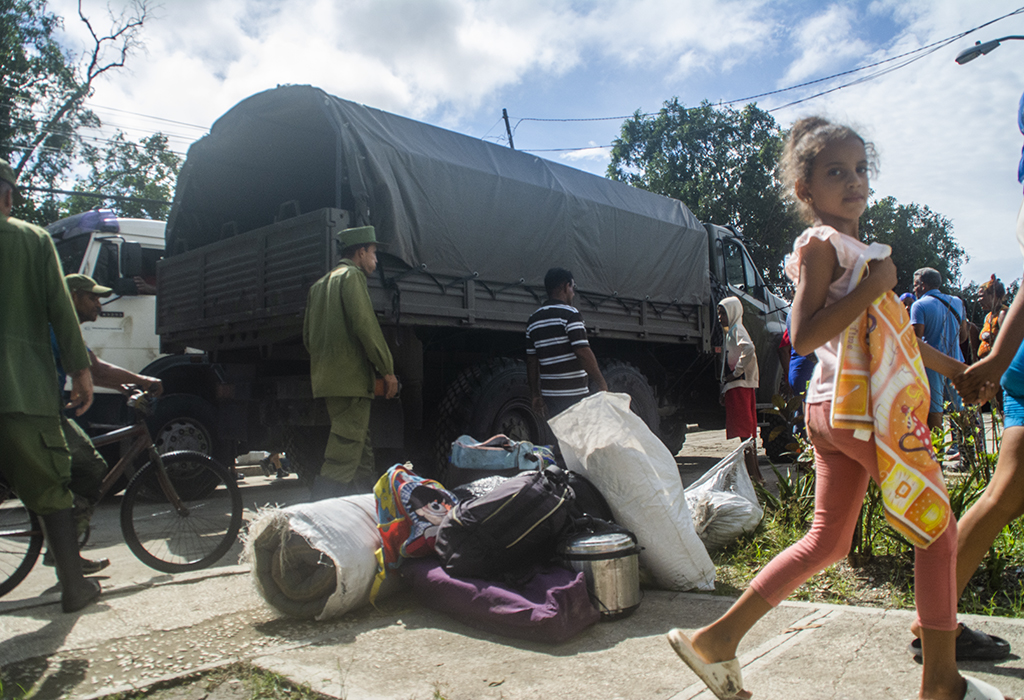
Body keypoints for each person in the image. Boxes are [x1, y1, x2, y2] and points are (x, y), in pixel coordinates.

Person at [666, 118, 1011, 700]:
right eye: (836, 172)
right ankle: (940, 683)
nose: (854, 181)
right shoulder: (823, 245)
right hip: (863, 415)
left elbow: (895, 333)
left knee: (828, 541)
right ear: (806, 190)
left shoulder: (860, 253)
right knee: (937, 532)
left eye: (860, 169)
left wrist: (957, 370)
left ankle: (716, 641)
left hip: (837, 413)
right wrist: (874, 286)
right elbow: (802, 335)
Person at [0, 158, 101, 613]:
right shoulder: (31, 240)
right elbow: (60, 310)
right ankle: (73, 586)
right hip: (21, 391)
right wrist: (81, 373)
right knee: (51, 486)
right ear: (9, 196)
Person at [46, 273, 165, 574]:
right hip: (44, 413)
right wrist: (144, 380)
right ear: (73, 297)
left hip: (42, 408)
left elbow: (85, 371)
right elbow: (95, 369)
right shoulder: (60, 326)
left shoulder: (54, 324)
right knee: (91, 468)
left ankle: (58, 543)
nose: (99, 304)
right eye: (92, 298)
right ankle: (65, 551)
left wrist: (122, 386)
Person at [303, 225, 398, 500]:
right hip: (351, 382)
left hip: (328, 380)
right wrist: (387, 370)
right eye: (374, 253)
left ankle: (368, 507)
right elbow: (366, 326)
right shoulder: (352, 276)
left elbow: (308, 337)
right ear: (361, 252)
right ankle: (314, 514)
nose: (376, 260)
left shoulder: (319, 285)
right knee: (343, 454)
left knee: (361, 451)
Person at [525, 268, 608, 422]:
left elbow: (532, 362)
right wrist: (602, 384)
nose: (573, 293)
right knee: (579, 436)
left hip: (550, 397)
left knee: (559, 435)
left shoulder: (533, 320)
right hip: (574, 395)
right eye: (572, 288)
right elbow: (582, 352)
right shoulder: (571, 315)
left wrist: (535, 395)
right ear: (565, 286)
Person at [910, 268, 970, 433]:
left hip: (932, 365)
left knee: (935, 408)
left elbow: (915, 341)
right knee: (959, 407)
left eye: (915, 285)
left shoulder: (919, 305)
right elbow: (963, 336)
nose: (914, 290)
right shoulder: (957, 302)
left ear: (923, 285)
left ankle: (938, 446)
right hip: (956, 362)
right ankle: (963, 444)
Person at [717, 297, 763, 484]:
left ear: (733, 312)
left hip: (740, 385)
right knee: (748, 432)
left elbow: (749, 348)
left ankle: (754, 476)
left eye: (723, 313)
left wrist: (737, 372)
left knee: (745, 432)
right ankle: (755, 475)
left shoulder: (737, 330)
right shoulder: (731, 332)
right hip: (739, 385)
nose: (720, 317)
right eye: (719, 313)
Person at [977, 275, 1008, 362]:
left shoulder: (1003, 314)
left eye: (981, 296)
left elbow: (1008, 345)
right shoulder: (988, 317)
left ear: (993, 295)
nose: (979, 300)